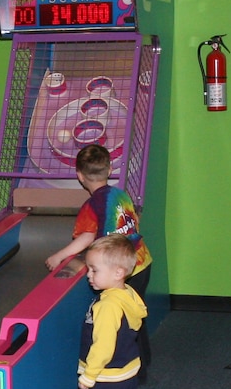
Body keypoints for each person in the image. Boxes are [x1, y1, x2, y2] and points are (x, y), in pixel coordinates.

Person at [44, 143, 153, 370]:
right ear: (110, 169)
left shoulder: (91, 205)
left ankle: (122, 362)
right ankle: (140, 363)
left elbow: (86, 236)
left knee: (117, 318)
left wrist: (59, 256)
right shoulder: (121, 194)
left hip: (118, 269)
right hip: (141, 261)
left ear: (79, 176)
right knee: (134, 314)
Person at [76, 234, 146, 389]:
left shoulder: (107, 306)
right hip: (126, 374)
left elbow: (103, 346)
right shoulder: (127, 293)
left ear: (118, 272)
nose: (89, 275)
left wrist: (89, 375)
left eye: (94, 270)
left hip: (105, 378)